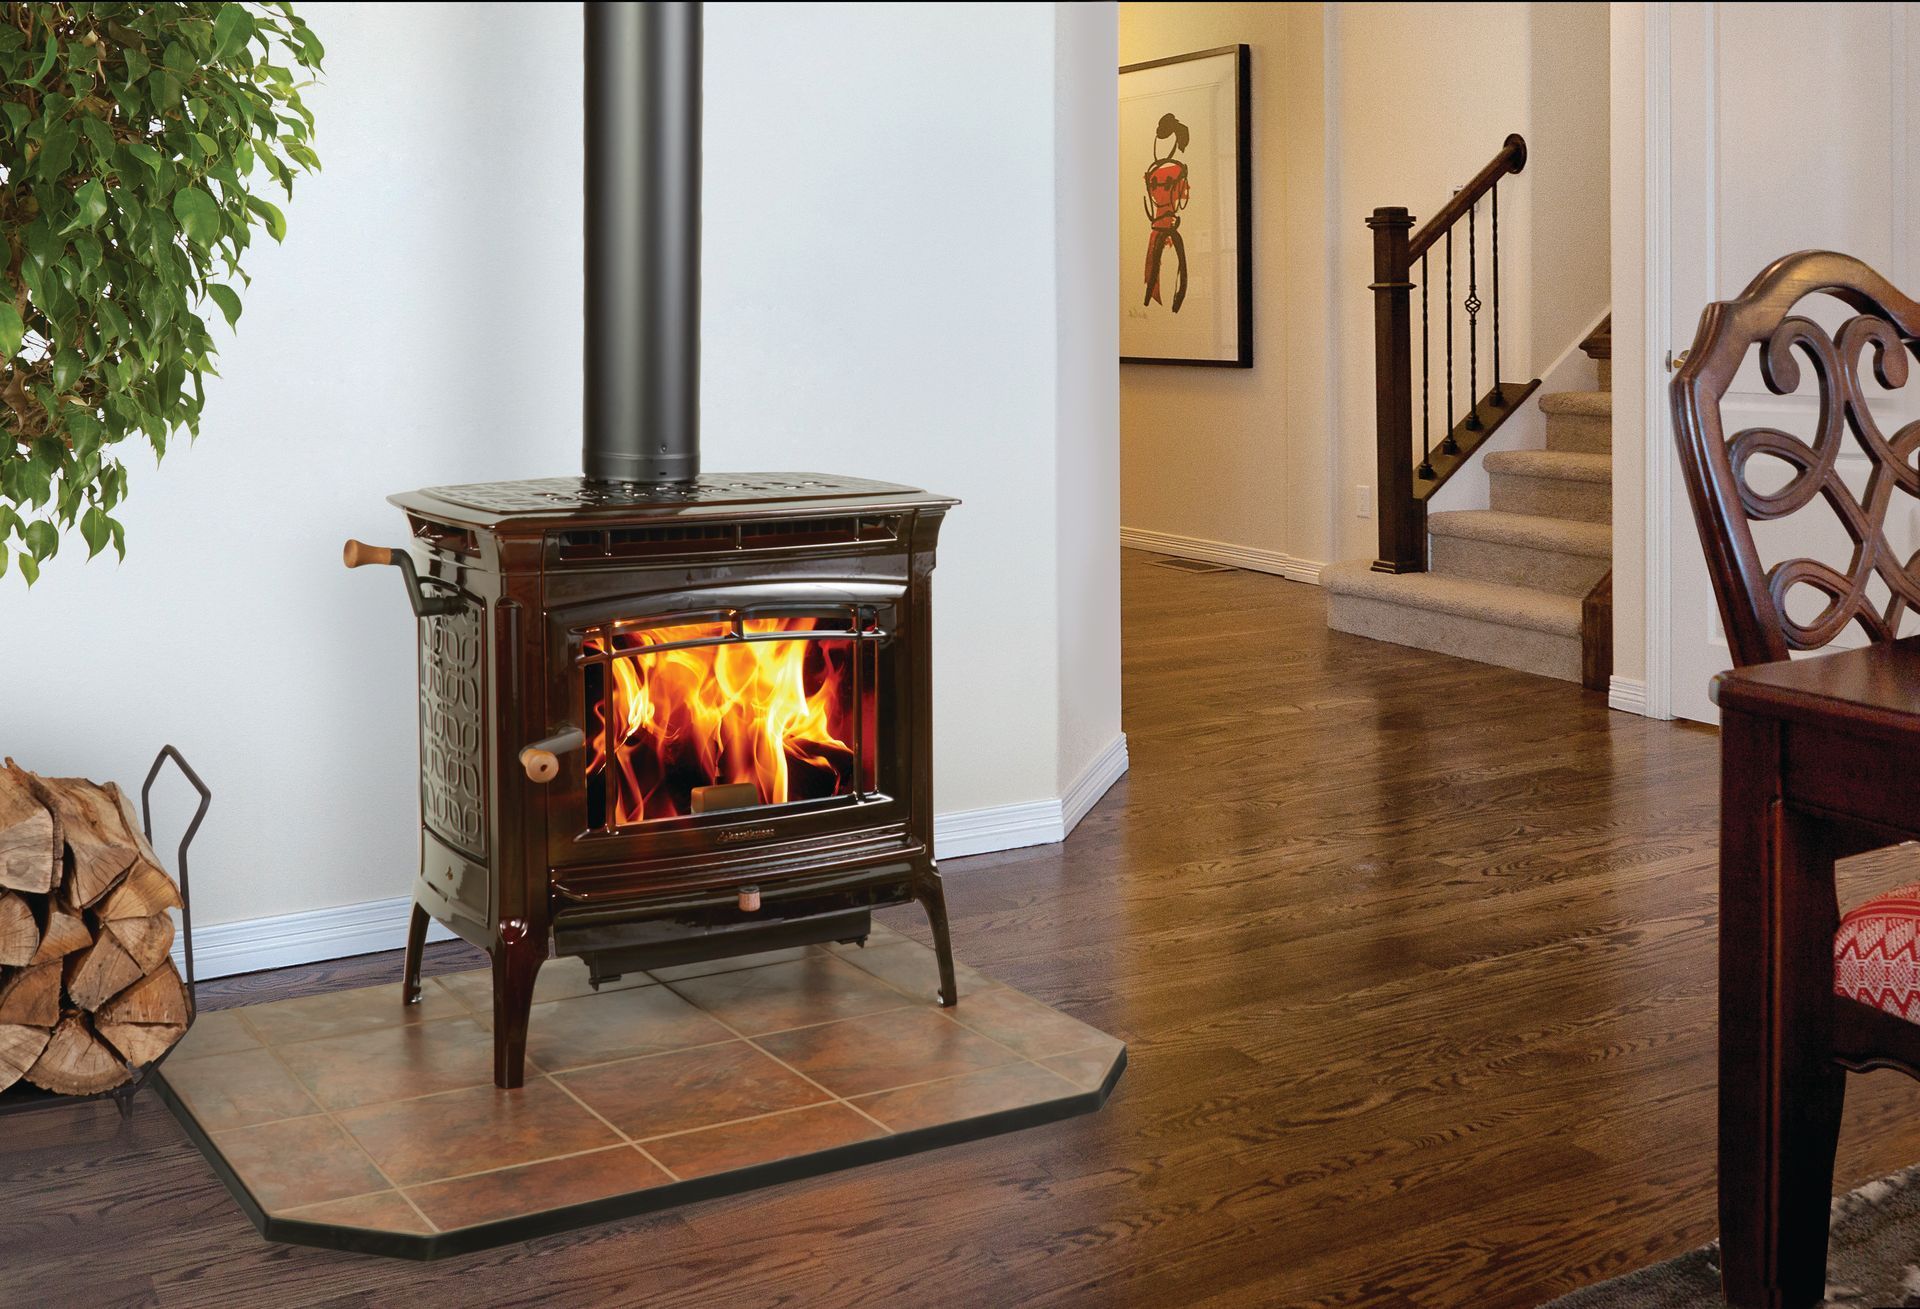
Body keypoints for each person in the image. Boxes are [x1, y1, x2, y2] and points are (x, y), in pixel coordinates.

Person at [1142, 113, 1191, 313]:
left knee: (1176, 274)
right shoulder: (1163, 169)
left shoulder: (1172, 170)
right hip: (1161, 228)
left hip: (1166, 228)